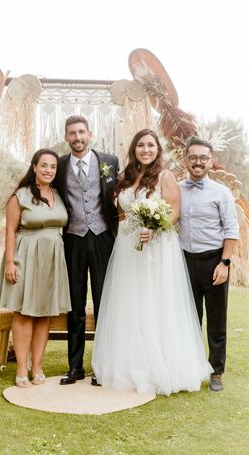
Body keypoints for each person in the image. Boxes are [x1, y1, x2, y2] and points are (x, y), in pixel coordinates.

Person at [92, 129, 212, 396]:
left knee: (155, 301)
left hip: (157, 247)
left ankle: (161, 366)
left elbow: (175, 212)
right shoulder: (125, 177)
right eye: (141, 145)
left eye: (150, 145)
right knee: (130, 303)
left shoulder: (164, 176)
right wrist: (127, 235)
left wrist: (155, 229)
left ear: (157, 149)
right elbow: (122, 214)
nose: (145, 150)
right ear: (134, 149)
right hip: (127, 245)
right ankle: (129, 364)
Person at [0, 149, 71, 388]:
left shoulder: (59, 195)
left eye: (53, 167)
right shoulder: (21, 196)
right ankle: (21, 369)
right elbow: (10, 230)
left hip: (52, 258)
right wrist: (10, 261)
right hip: (25, 256)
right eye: (44, 165)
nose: (49, 170)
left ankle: (37, 367)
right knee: (25, 312)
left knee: (45, 313)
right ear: (35, 167)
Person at [53, 115, 119, 385]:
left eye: (81, 132)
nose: (77, 137)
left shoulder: (110, 162)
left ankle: (101, 368)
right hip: (73, 238)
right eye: (72, 133)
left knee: (105, 303)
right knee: (75, 304)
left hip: (103, 237)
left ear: (89, 133)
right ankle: (75, 367)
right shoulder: (59, 165)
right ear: (66, 137)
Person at [179, 136, 239, 392]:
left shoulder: (221, 192)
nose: (198, 162)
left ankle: (216, 371)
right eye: (193, 157)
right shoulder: (176, 189)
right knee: (189, 319)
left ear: (210, 162)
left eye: (203, 158)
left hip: (214, 262)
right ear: (186, 160)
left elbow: (231, 229)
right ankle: (189, 369)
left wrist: (224, 263)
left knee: (216, 320)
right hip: (184, 263)